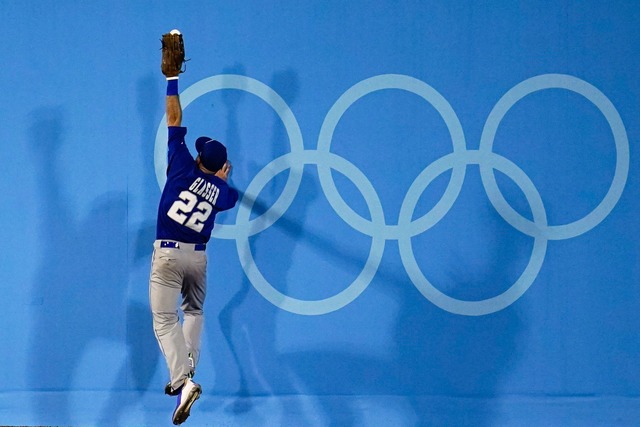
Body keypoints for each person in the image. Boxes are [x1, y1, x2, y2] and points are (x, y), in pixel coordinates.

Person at [149, 40, 239, 425]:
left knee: (163, 320)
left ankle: (182, 379)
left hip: (168, 253)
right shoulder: (224, 193)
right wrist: (220, 179)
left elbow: (173, 120)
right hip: (197, 258)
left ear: (199, 157)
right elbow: (229, 194)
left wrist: (172, 79)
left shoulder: (183, 165)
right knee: (195, 311)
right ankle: (188, 373)